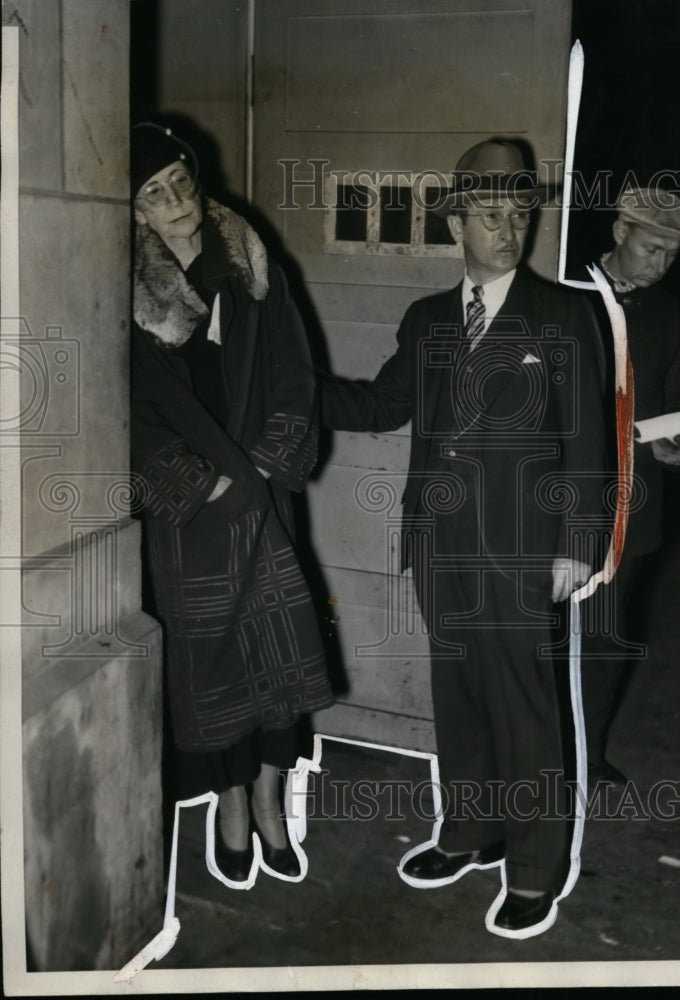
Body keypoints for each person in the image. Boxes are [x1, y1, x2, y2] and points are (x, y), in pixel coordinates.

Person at [320, 138, 606, 936]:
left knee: (523, 707)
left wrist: (576, 543)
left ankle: (535, 870)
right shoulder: (427, 319)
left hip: (522, 548)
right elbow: (381, 406)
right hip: (437, 540)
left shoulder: (561, 313)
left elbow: (587, 438)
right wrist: (287, 391)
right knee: (461, 697)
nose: (507, 228)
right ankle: (471, 832)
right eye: (490, 214)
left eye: (519, 213)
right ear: (457, 222)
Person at [130, 123, 333, 883]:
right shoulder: (123, 285)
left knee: (280, 653)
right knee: (212, 662)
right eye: (153, 193)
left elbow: (294, 372)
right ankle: (231, 800)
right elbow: (126, 409)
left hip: (266, 490)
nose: (175, 199)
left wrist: (272, 463)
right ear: (135, 211)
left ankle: (273, 797)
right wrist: (197, 485)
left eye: (180, 179)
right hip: (196, 510)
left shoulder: (249, 258)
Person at [580, 187, 680, 787]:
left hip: (629, 505)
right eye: (652, 249)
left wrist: (676, 439)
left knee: (605, 633)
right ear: (619, 232)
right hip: (548, 497)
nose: (658, 265)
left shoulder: (675, 317)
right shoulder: (562, 293)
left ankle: (586, 753)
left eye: (671, 257)